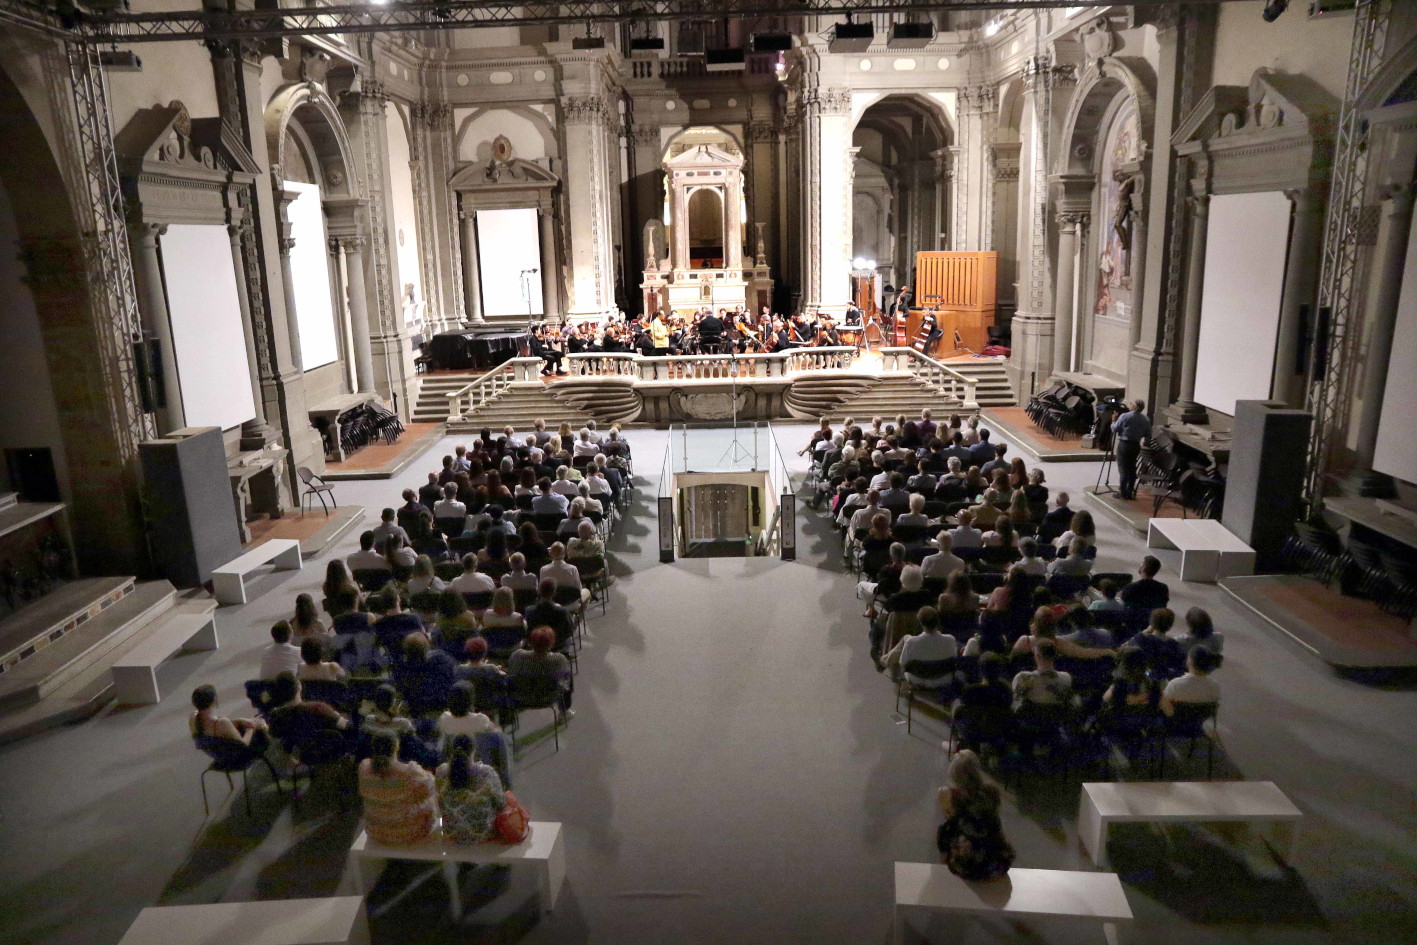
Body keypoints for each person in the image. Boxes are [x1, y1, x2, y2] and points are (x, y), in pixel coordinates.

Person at [935, 750, 1015, 881]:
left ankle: (946, 878)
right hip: (997, 861)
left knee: (944, 832)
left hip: (968, 864)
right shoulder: (992, 791)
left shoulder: (947, 794)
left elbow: (950, 821)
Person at [358, 732, 439, 846]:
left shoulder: (364, 768)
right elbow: (431, 786)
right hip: (408, 834)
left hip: (375, 833)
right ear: (397, 746)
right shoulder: (410, 772)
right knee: (432, 798)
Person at [436, 734, 508, 844]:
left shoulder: (441, 772)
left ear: (452, 750)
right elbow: (500, 804)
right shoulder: (487, 773)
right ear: (473, 750)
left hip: (452, 833)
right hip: (482, 834)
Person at [508, 626, 574, 715]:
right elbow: (565, 683)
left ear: (531, 642)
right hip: (548, 698)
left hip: (521, 697)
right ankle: (564, 710)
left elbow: (511, 672)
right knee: (567, 675)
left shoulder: (518, 655)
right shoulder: (558, 659)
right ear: (551, 643)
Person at [190, 684, 268, 749]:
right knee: (262, 721)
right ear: (214, 700)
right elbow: (243, 744)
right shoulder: (221, 722)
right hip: (240, 756)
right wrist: (251, 727)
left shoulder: (193, 718)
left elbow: (222, 729)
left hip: (222, 754)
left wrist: (238, 721)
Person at [1011, 639, 1073, 710]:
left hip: (1029, 719)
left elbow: (1015, 704)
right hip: (1057, 720)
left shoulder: (1022, 678)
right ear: (1055, 655)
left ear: (1037, 656)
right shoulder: (1067, 678)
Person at [1161, 646, 1223, 715]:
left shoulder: (1175, 685)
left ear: (1190, 661)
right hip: (1199, 722)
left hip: (1177, 723)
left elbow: (1165, 708)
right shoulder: (1214, 686)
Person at [1127, 608, 1186, 678]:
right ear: (1169, 627)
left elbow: (1126, 646)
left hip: (1142, 677)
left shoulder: (1141, 639)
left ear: (1151, 624)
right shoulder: (1174, 645)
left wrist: (1146, 631)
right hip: (1164, 679)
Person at [1111, 399, 1151, 500]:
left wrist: (1113, 420)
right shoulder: (1145, 419)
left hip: (1124, 444)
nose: (1129, 405)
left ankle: (1123, 492)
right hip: (1136, 445)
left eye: (1131, 403)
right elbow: (1148, 435)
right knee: (1132, 468)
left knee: (1123, 469)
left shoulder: (1125, 416)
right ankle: (1130, 492)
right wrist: (1144, 443)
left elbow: (1115, 429)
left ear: (1134, 406)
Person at [438, 681, 497, 747]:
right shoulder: (481, 720)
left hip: (453, 756)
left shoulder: (444, 719)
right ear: (471, 700)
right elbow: (497, 734)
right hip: (474, 756)